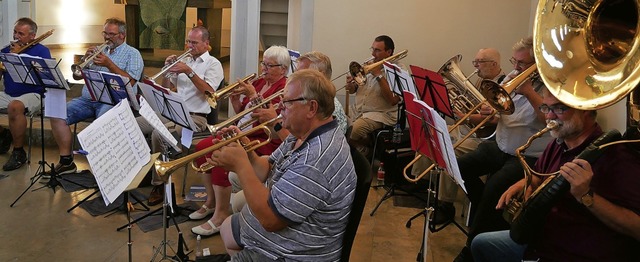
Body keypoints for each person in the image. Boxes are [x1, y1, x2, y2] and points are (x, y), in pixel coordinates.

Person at [470, 86, 640, 261]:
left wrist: (587, 196)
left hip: (574, 253)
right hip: (541, 240)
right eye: (546, 108)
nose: (549, 116)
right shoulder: (559, 143)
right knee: (480, 243)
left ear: (586, 110)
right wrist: (523, 184)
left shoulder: (618, 156)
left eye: (559, 108)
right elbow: (540, 175)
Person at [216, 69, 356, 261]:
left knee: (229, 232)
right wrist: (248, 153)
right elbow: (268, 168)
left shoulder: (315, 160)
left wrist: (241, 166)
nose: (279, 106)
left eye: (288, 102)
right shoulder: (302, 134)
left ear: (312, 108)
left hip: (294, 253)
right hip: (286, 235)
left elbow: (270, 220)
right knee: (226, 228)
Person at [454, 37, 552, 262]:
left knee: (494, 186)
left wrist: (529, 92)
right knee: (457, 168)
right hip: (500, 145)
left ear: (538, 65)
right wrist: (491, 110)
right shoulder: (511, 77)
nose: (516, 68)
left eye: (522, 64)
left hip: (526, 156)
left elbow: (547, 119)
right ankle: (487, 213)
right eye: (514, 62)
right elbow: (502, 107)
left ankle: (471, 249)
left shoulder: (549, 85)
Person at [225, 50, 350, 216]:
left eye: (300, 73)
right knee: (236, 182)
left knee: (239, 203)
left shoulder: (325, 112)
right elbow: (290, 145)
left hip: (294, 183)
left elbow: (310, 162)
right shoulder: (305, 112)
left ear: (317, 76)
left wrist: (275, 123)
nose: (293, 78)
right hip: (285, 169)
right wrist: (248, 150)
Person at [189, 45, 288, 235]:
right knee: (202, 147)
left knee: (221, 156)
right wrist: (235, 101)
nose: (263, 69)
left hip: (262, 141)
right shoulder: (260, 83)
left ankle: (221, 214)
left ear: (282, 69)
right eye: (263, 64)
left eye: (269, 66)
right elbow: (244, 113)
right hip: (243, 131)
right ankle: (211, 202)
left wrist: (252, 95)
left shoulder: (283, 88)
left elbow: (266, 117)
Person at [411, 47, 505, 225]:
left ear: (494, 64)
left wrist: (465, 117)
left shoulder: (501, 85)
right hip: (470, 128)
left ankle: (446, 203)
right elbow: (475, 109)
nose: (476, 66)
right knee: (431, 132)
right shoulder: (481, 81)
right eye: (475, 62)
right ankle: (422, 182)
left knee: (449, 150)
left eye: (480, 62)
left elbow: (496, 119)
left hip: (486, 137)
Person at [137, 26, 223, 206]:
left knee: (158, 134)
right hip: (173, 111)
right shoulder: (186, 61)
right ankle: (142, 172)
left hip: (196, 117)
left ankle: (159, 184)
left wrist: (189, 72)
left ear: (206, 44)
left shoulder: (213, 64)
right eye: (188, 42)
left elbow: (210, 92)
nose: (189, 46)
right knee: (136, 124)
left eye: (194, 43)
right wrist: (167, 70)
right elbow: (167, 87)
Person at [46, 17, 143, 177]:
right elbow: (77, 77)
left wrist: (109, 64)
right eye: (105, 33)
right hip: (88, 99)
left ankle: (107, 170)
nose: (107, 37)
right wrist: (84, 60)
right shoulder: (99, 50)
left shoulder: (133, 54)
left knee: (101, 124)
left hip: (115, 101)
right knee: (57, 113)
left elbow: (130, 82)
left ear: (122, 36)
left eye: (111, 34)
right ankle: (66, 162)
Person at [0, 18, 52, 171]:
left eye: (21, 34)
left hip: (35, 94)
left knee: (15, 106)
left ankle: (18, 152)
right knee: (12, 103)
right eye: (15, 32)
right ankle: (4, 134)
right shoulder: (6, 50)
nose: (16, 36)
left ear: (32, 36)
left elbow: (46, 77)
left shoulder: (42, 51)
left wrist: (19, 58)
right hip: (9, 93)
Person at [346, 35, 401, 157]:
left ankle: (364, 150)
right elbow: (358, 86)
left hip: (380, 114)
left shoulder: (398, 70)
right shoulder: (370, 63)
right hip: (359, 110)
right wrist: (351, 87)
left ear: (389, 52)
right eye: (372, 49)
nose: (373, 53)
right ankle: (366, 143)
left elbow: (393, 100)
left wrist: (378, 75)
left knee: (352, 131)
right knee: (337, 123)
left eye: (377, 50)